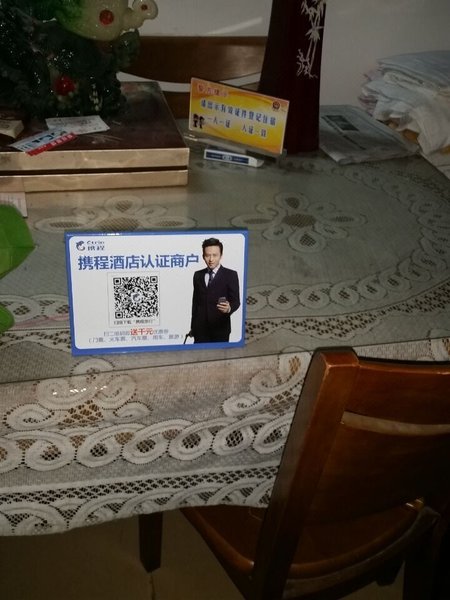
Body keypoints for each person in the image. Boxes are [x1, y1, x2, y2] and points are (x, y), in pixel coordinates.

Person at [190, 237, 240, 343]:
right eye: (207, 255)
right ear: (203, 256)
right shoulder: (198, 275)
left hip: (220, 328)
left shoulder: (230, 275)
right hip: (200, 330)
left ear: (221, 255)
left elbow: (236, 301)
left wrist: (229, 308)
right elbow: (195, 304)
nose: (211, 259)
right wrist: (193, 327)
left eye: (215, 255)